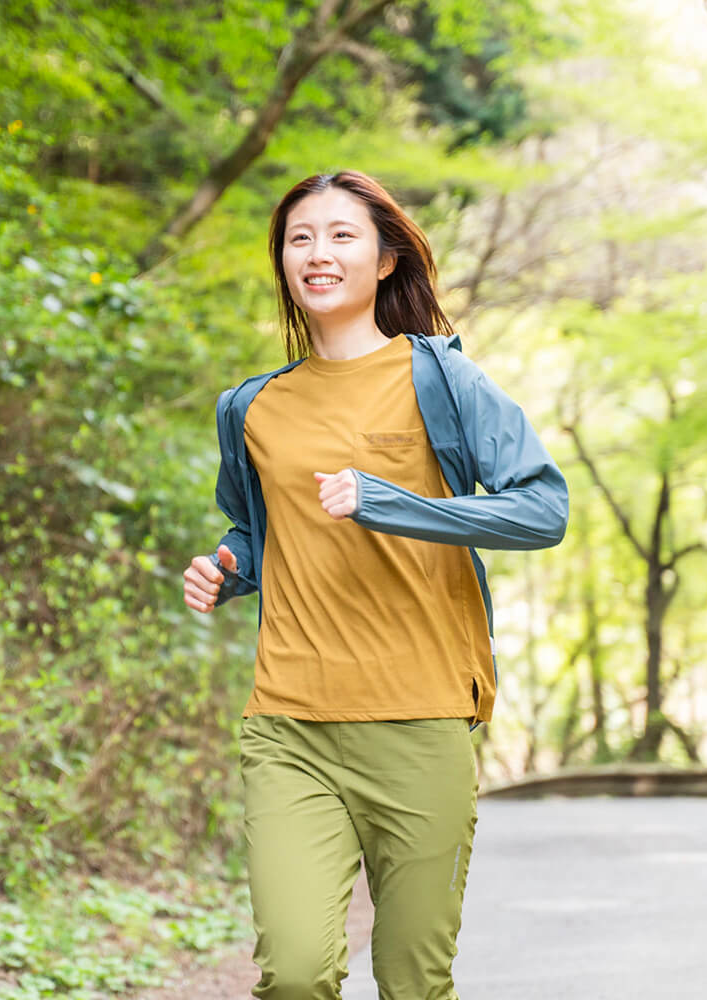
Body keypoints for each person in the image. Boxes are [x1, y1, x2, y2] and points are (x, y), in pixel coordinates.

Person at [182, 169, 568, 1000]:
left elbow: (543, 509)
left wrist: (394, 504)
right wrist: (226, 570)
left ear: (387, 259)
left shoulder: (443, 380)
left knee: (412, 983)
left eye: (341, 236)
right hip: (290, 723)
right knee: (293, 974)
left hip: (422, 715)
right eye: (300, 239)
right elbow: (255, 529)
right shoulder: (249, 408)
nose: (317, 254)